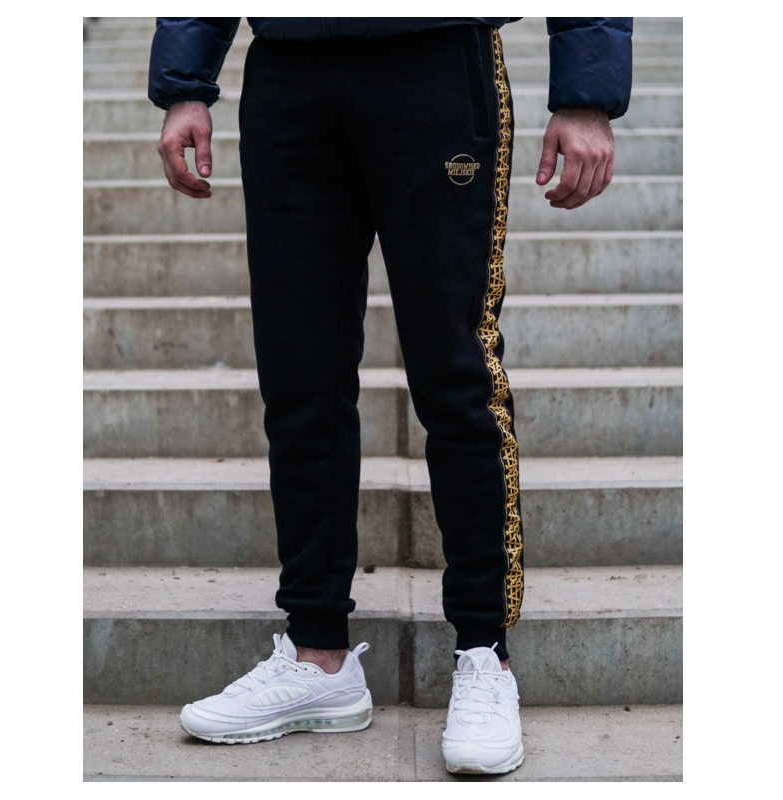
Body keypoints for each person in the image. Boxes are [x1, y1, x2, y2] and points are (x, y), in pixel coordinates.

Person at [149, 16, 632, 775]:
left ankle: (484, 654)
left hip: (436, 58)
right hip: (291, 72)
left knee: (457, 373)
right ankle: (317, 656)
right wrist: (185, 82)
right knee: (299, 375)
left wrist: (587, 94)